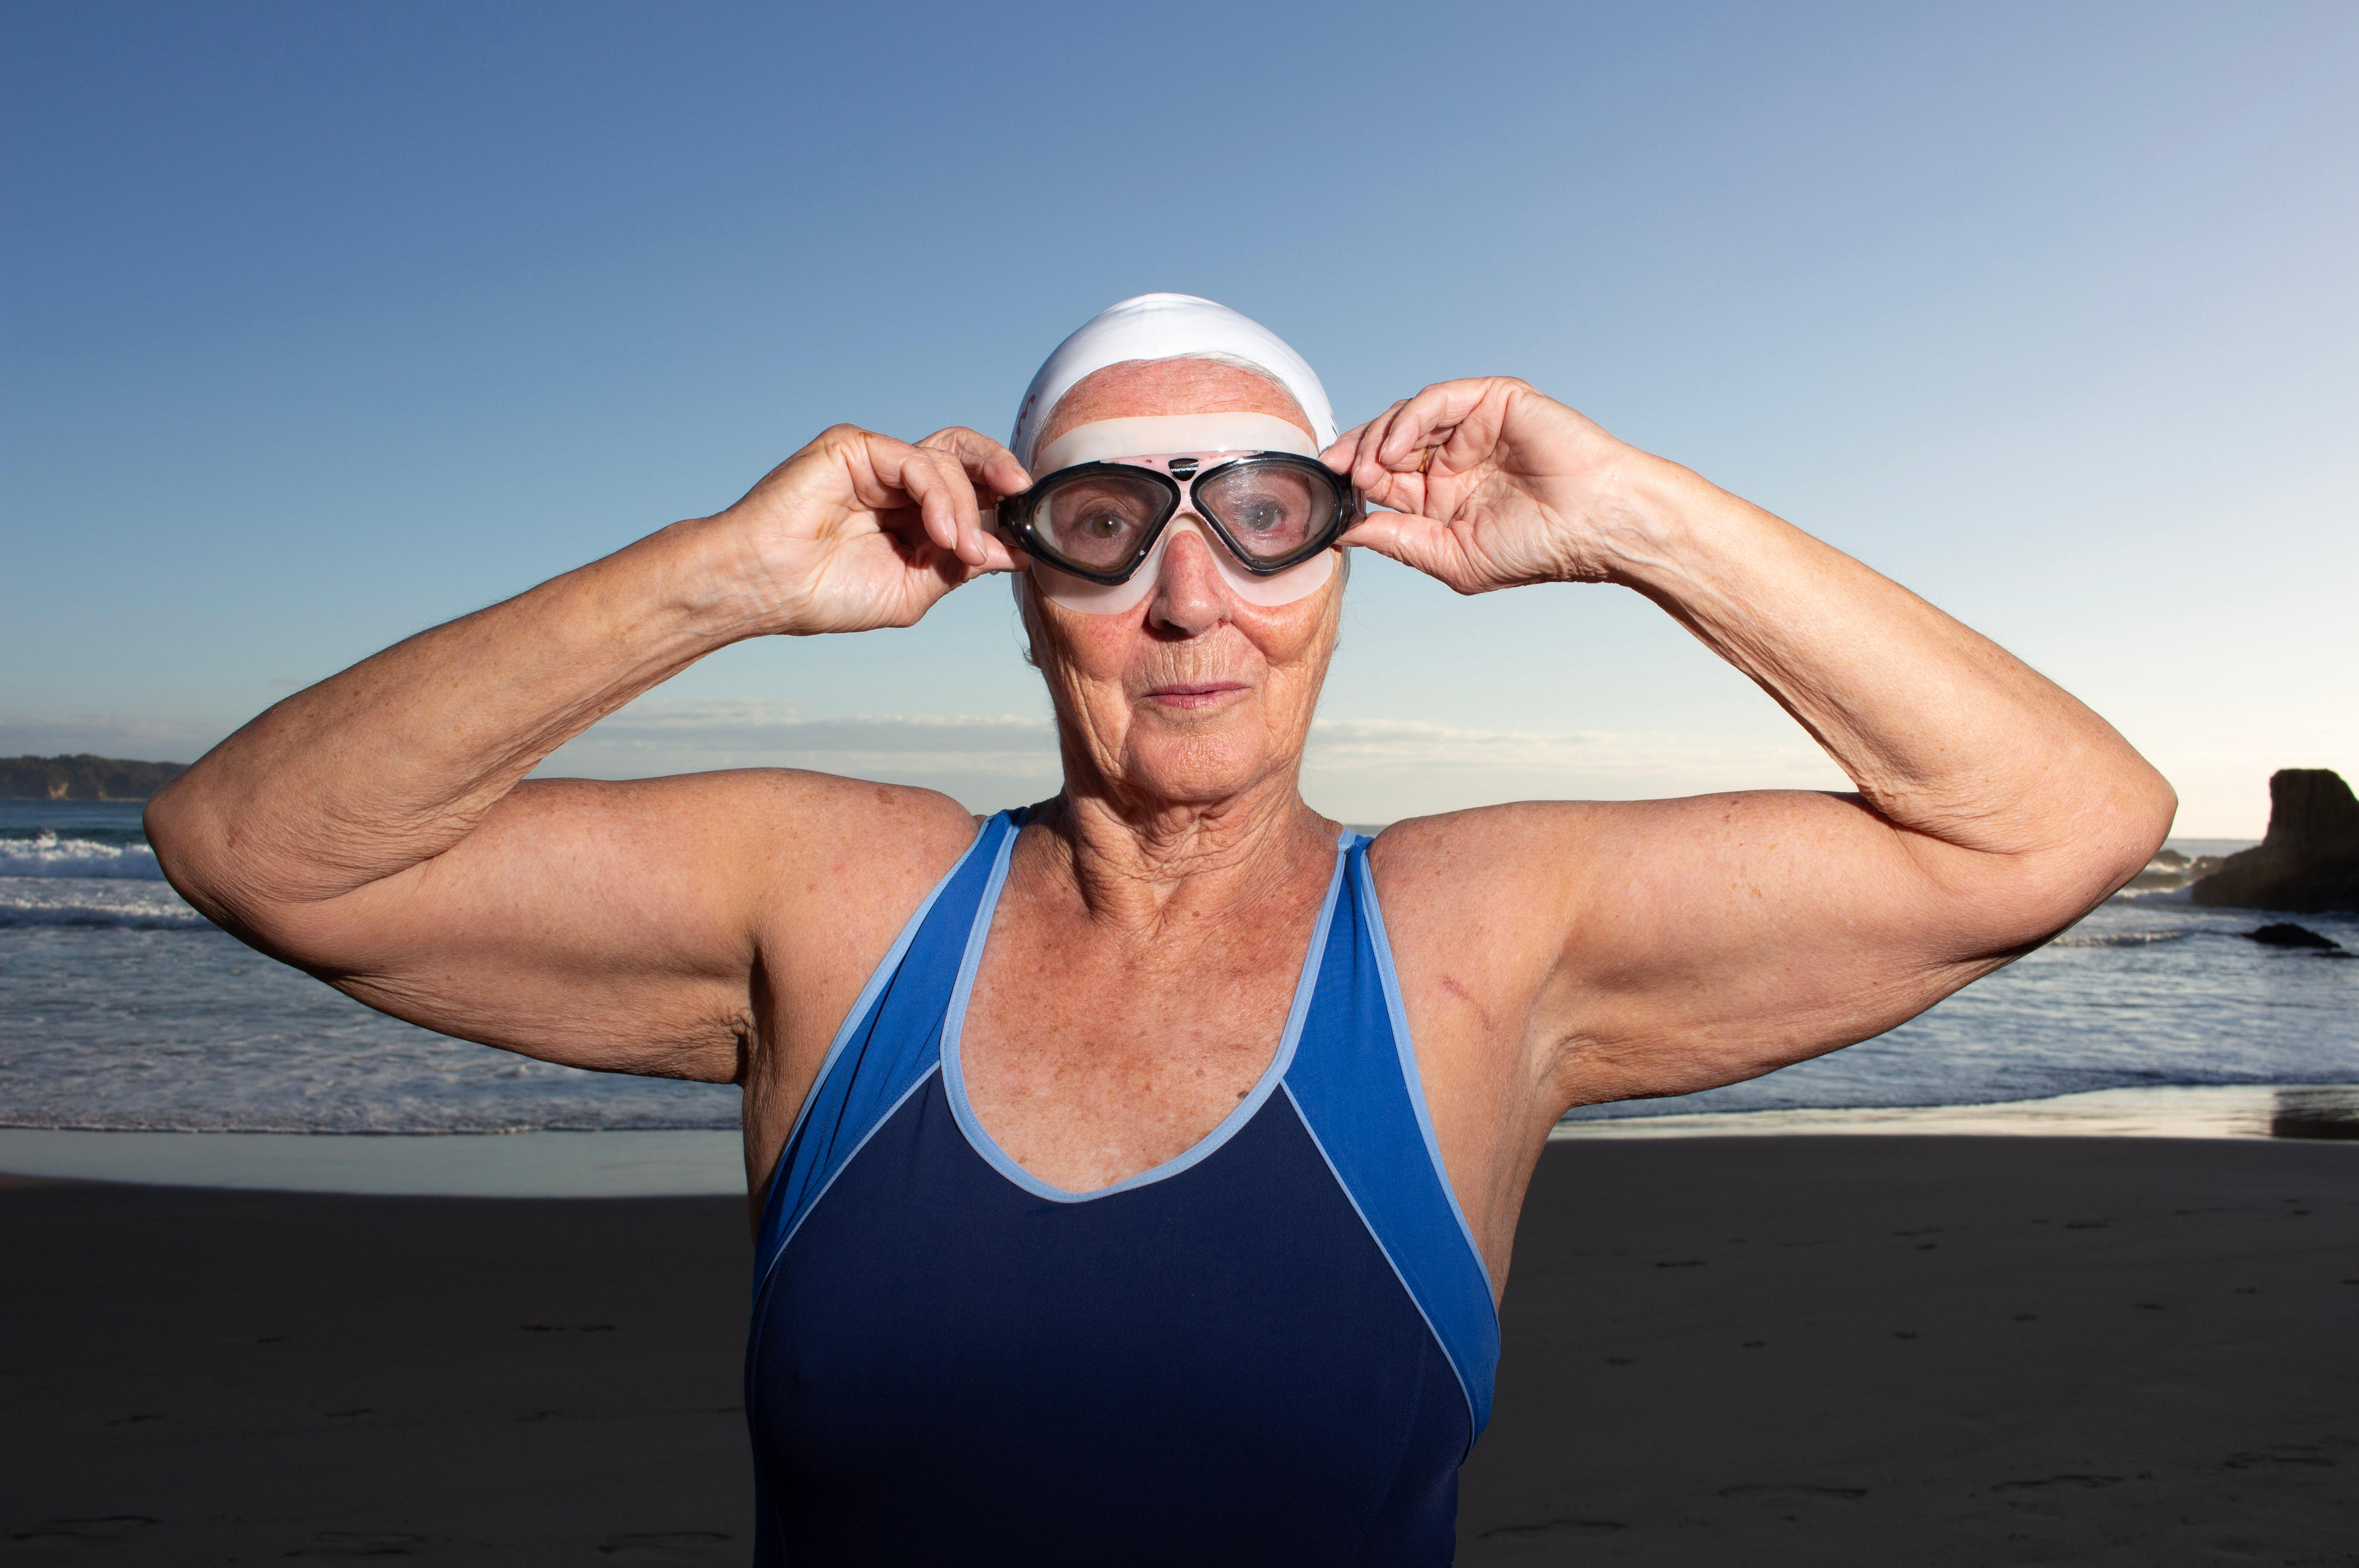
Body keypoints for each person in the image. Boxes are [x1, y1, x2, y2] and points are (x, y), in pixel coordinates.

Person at [145, 293, 2174, 1565]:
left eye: (1264, 517)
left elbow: (2057, 821)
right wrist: (720, 579)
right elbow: (260, 843)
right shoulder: (836, 903)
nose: (1189, 601)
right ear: (1022, 568)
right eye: (1111, 523)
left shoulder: (1479, 937)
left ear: (1340, 560)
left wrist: (1632, 518)